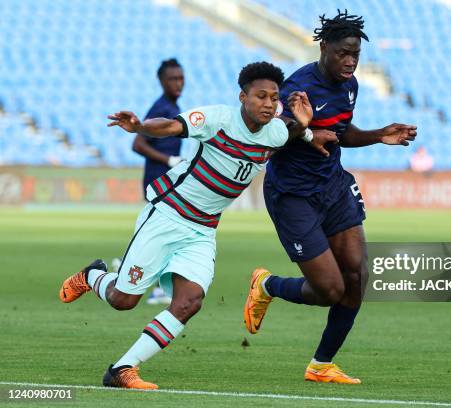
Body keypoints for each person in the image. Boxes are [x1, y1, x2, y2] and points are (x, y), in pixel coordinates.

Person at [59, 62, 336, 390]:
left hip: (203, 229)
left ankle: (122, 369)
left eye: (274, 98)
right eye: (260, 96)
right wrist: (140, 127)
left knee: (189, 302)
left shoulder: (275, 130)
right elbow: (171, 127)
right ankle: (93, 275)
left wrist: (306, 131)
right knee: (124, 299)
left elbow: (288, 130)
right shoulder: (217, 118)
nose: (267, 103)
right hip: (167, 215)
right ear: (242, 97)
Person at [243, 10, 418, 384]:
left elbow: (340, 132)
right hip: (294, 196)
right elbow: (276, 137)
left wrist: (378, 134)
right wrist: (303, 129)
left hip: (334, 187)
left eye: (355, 53)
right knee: (329, 290)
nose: (350, 61)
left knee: (356, 276)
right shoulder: (296, 89)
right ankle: (267, 285)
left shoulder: (350, 85)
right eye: (343, 53)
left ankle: (321, 365)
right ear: (324, 48)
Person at [133, 58, 185, 305]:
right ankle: (156, 287)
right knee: (165, 234)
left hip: (165, 181)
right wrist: (169, 160)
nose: (178, 83)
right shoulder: (161, 108)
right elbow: (138, 143)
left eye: (180, 78)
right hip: (158, 181)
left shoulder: (172, 106)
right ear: (162, 81)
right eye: (172, 79)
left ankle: (131, 265)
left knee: (163, 232)